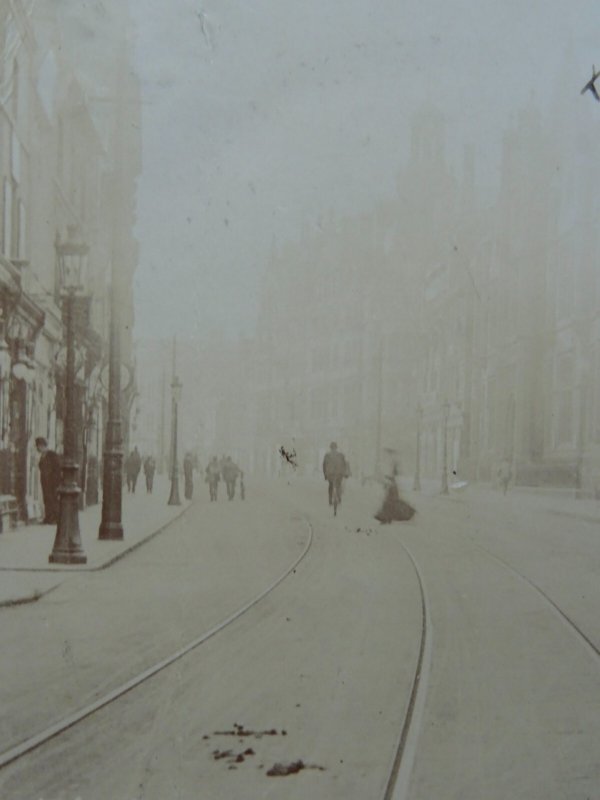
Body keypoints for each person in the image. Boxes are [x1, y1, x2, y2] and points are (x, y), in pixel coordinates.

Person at [35, 437, 61, 524]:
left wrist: (56, 481)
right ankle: (48, 517)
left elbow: (57, 468)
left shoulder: (52, 455)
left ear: (42, 445)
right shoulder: (42, 456)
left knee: (53, 498)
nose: (38, 449)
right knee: (46, 499)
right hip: (45, 482)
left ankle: (54, 518)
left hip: (52, 481)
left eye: (38, 446)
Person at [322, 442, 349, 507]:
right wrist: (345, 473)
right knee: (338, 485)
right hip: (339, 473)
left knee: (331, 485)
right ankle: (339, 498)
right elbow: (345, 464)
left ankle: (330, 499)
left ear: (330, 448)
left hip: (330, 474)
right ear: (336, 447)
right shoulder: (341, 455)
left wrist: (325, 475)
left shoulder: (327, 455)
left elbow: (324, 465)